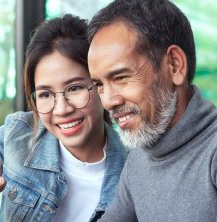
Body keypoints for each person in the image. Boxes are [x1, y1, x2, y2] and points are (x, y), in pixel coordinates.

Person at [0, 14, 127, 222]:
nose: (62, 109)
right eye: (45, 94)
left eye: (75, 88)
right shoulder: (17, 134)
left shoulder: (133, 166)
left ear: (100, 85)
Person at [87, 0, 217, 221]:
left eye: (121, 77)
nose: (108, 102)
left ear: (174, 66)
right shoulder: (139, 159)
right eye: (99, 84)